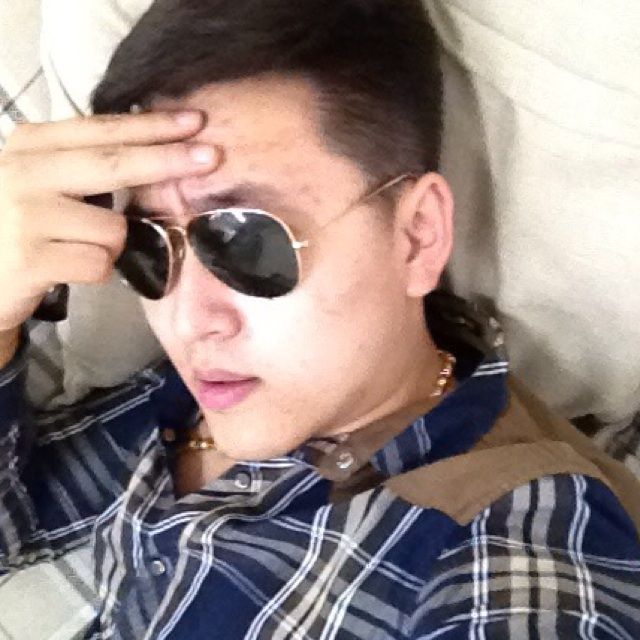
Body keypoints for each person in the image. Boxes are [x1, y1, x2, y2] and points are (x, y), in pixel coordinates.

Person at [0, 1, 639, 638]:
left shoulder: (512, 550)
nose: (189, 320)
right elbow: (14, 518)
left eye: (247, 243)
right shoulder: (194, 401)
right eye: (149, 248)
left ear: (417, 235)